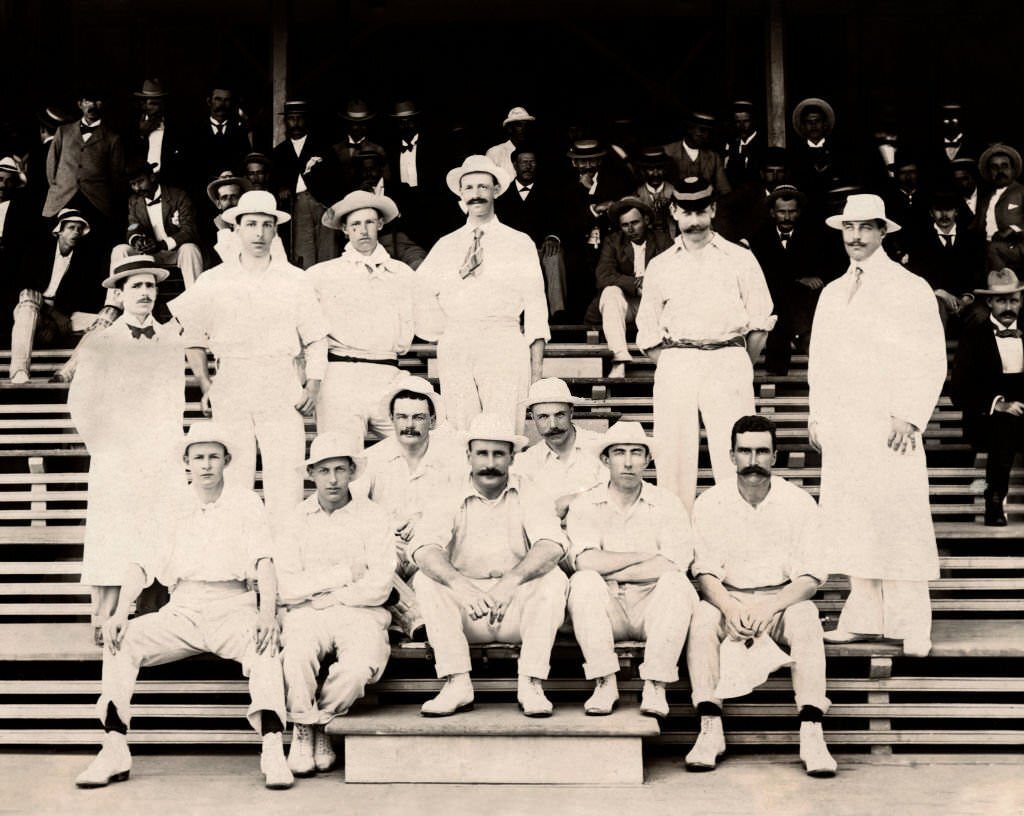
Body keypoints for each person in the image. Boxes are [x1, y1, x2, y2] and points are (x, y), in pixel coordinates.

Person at [74, 421, 293, 790]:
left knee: (266, 646)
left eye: (213, 457)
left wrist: (267, 613)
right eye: (198, 457)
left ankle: (272, 749)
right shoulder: (170, 504)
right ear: (186, 463)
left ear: (227, 460)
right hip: (182, 610)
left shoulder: (245, 501)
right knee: (120, 641)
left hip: (233, 606)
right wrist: (120, 612)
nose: (206, 464)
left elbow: (264, 562)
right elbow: (140, 564)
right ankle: (113, 747)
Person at [809, 194, 946, 657]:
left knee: (900, 519)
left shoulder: (910, 287)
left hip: (891, 426)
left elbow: (930, 358)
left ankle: (913, 625)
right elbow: (820, 363)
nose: (856, 237)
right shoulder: (832, 292)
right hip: (846, 425)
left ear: (883, 231)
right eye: (849, 228)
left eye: (866, 228)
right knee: (854, 520)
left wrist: (909, 413)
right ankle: (864, 617)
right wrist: (818, 415)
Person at [168, 190, 328, 529]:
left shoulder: (295, 280)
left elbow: (316, 338)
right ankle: (240, 563)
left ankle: (283, 567)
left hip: (280, 380)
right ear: (236, 229)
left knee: (286, 477)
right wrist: (206, 384)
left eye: (266, 225)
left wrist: (313, 386)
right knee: (235, 478)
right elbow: (192, 336)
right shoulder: (214, 280)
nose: (258, 233)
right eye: (251, 224)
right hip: (233, 380)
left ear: (275, 231)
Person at [686, 415, 836, 777]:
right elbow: (704, 573)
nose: (753, 461)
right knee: (703, 618)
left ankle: (812, 731)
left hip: (781, 601)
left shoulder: (798, 502)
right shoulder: (710, 503)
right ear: (731, 455)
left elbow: (811, 577)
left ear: (775, 455)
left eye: (762, 452)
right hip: (729, 598)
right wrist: (730, 606)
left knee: (805, 617)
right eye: (745, 451)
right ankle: (710, 728)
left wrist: (772, 605)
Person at [409, 413, 569, 717]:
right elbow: (423, 548)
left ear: (512, 458)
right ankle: (457, 683)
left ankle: (531, 682)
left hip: (515, 608)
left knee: (554, 578)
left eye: (499, 454)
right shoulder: (447, 490)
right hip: (468, 610)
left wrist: (512, 581)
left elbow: (552, 544)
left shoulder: (530, 489)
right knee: (425, 579)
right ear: (468, 455)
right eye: (482, 453)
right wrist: (461, 586)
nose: (490, 463)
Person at [636, 177, 775, 512]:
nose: (694, 221)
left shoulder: (739, 258)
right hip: (678, 361)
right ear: (674, 212)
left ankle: (736, 530)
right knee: (673, 454)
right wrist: (676, 361)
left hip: (727, 358)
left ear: (713, 209)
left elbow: (760, 321)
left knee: (735, 452)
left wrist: (738, 361)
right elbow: (647, 328)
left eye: (701, 211)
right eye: (686, 211)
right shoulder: (661, 265)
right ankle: (676, 540)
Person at [67, 254, 186, 644]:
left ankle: (153, 619)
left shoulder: (170, 340)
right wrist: (106, 447)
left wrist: (170, 446)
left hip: (160, 454)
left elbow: (175, 401)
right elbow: (81, 403)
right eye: (136, 286)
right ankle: (105, 618)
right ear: (119, 294)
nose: (145, 293)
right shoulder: (101, 342)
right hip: (117, 455)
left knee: (160, 529)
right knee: (113, 532)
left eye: (151, 286)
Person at [277, 430, 395, 776]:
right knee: (295, 657)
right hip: (305, 613)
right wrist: (343, 574)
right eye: (324, 471)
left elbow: (379, 585)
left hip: (359, 611)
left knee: (359, 668)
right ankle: (303, 728)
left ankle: (321, 723)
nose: (332, 479)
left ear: (351, 473)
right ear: (312, 474)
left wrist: (329, 595)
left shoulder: (373, 516)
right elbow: (287, 586)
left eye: (340, 470)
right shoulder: (294, 519)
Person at [565, 421, 696, 719]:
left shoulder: (667, 503)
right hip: (607, 606)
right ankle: (604, 682)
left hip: (653, 606)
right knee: (584, 582)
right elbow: (585, 562)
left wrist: (609, 566)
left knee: (676, 584)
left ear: (647, 460)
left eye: (636, 453)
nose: (627, 462)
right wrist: (642, 555)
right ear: (605, 459)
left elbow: (674, 563)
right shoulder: (586, 503)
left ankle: (655, 684)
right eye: (619, 452)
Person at [416, 155, 549, 432]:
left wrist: (537, 372)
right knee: (461, 430)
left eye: (483, 187)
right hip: (458, 343)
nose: (476, 195)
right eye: (469, 188)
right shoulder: (446, 245)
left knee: (503, 430)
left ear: (496, 191)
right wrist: (445, 331)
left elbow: (536, 305)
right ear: (461, 194)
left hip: (503, 341)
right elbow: (420, 292)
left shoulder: (518, 242)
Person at [306, 190, 414, 437]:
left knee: (414, 449)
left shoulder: (403, 274)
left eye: (369, 222)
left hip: (388, 374)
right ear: (344, 229)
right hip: (340, 376)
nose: (363, 230)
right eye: (355, 224)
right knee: (341, 456)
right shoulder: (321, 275)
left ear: (380, 224)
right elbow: (309, 332)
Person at [951, 268, 1024, 526]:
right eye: (1001, 300)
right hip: (986, 419)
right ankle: (994, 500)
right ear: (989, 302)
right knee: (1005, 426)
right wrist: (999, 405)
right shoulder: (974, 336)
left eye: (1013, 300)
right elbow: (958, 389)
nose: (1008, 307)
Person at [8, 208, 111, 384]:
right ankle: (19, 371)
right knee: (28, 297)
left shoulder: (84, 259)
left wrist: (59, 317)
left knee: (106, 322)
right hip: (36, 310)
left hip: (66, 314)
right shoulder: (37, 252)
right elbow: (21, 286)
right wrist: (53, 314)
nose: (76, 232)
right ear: (59, 230)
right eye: (71, 227)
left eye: (79, 229)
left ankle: (66, 373)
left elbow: (83, 297)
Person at [584, 197, 672, 377]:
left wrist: (649, 282)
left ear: (646, 221)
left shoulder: (662, 240)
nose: (630, 229)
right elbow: (603, 275)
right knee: (609, 292)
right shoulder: (613, 241)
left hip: (655, 305)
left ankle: (668, 362)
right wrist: (634, 284)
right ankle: (620, 358)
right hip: (627, 306)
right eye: (625, 225)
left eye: (635, 223)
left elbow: (674, 274)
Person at [748, 184, 828, 374]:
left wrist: (808, 281)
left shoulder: (814, 237)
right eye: (781, 212)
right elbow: (762, 276)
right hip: (771, 301)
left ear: (799, 212)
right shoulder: (758, 239)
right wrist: (798, 280)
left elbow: (825, 268)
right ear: (772, 213)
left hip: (802, 304)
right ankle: (799, 342)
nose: (786, 217)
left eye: (792, 212)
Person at [515, 377, 607, 518]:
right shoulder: (526, 462)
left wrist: (573, 499)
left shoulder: (601, 446)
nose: (553, 425)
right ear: (532, 417)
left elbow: (618, 492)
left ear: (571, 412)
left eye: (560, 415)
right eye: (543, 417)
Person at [44, 88, 124, 247]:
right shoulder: (63, 131)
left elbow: (116, 176)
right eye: (88, 101)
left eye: (97, 101)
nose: (92, 105)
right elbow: (51, 166)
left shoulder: (113, 138)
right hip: (62, 198)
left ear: (103, 105)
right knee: (57, 245)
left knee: (90, 247)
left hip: (95, 201)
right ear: (80, 104)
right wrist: (61, 186)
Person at [112, 158, 203, 288]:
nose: (137, 188)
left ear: (152, 177)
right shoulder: (134, 201)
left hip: (174, 253)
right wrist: (137, 240)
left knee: (190, 249)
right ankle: (114, 304)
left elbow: (189, 230)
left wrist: (161, 245)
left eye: (140, 181)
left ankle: (197, 298)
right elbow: (133, 227)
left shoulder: (178, 196)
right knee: (120, 250)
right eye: (133, 184)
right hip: (148, 254)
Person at [270, 100, 335, 268]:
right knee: (303, 253)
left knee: (327, 252)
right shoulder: (279, 152)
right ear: (285, 122)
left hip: (322, 204)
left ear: (307, 120)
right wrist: (282, 188)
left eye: (300, 118)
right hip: (296, 206)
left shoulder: (323, 147)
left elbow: (335, 178)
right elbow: (273, 181)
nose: (296, 123)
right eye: (291, 118)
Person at [976, 144, 1024, 273]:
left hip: (1017, 245)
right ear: (989, 172)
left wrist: (1013, 229)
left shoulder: (1021, 191)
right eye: (994, 167)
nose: (1000, 171)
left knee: (993, 248)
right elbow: (976, 226)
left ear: (1013, 170)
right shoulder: (986, 197)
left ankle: (1004, 288)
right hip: (987, 246)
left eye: (1004, 166)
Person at [664, 111, 730, 196]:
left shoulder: (714, 157)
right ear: (689, 129)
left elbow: (725, 190)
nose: (705, 135)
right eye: (701, 130)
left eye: (708, 132)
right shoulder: (667, 152)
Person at [485, 106, 536, 181]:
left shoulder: (534, 153)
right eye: (519, 125)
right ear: (510, 129)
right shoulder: (495, 153)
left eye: (526, 125)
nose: (524, 129)